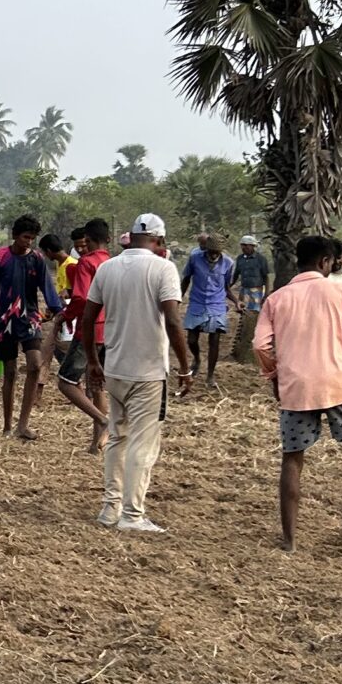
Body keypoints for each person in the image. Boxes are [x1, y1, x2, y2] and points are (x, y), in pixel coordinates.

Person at [254, 233, 342, 549]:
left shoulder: (277, 299)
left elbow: (261, 345)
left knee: (293, 458)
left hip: (295, 387)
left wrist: (274, 375)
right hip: (338, 384)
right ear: (325, 262)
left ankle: (290, 540)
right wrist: (341, 349)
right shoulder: (340, 292)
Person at [84, 211, 193, 533]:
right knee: (142, 445)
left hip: (114, 366)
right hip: (148, 372)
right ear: (159, 241)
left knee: (117, 437)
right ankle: (132, 515)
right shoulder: (163, 268)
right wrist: (185, 368)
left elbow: (88, 319)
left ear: (130, 237)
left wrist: (92, 361)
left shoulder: (108, 268)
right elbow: (173, 321)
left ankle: (109, 508)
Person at [0, 214, 64, 440]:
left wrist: (57, 310)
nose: (29, 242)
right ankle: (7, 426)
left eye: (32, 238)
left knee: (35, 366)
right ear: (16, 235)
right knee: (9, 373)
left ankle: (23, 424)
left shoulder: (36, 259)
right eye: (26, 237)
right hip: (4, 321)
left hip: (29, 319)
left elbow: (47, 287)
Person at [54, 220, 114, 454]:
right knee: (96, 384)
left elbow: (80, 299)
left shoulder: (86, 263)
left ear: (87, 240)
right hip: (110, 328)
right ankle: (95, 445)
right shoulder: (113, 263)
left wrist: (65, 316)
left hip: (90, 329)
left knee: (66, 382)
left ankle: (102, 419)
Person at [180, 233, 236, 390]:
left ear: (221, 252)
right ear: (206, 249)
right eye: (210, 251)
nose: (212, 255)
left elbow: (226, 287)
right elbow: (186, 279)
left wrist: (237, 302)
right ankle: (197, 359)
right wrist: (178, 298)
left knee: (215, 341)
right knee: (191, 339)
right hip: (197, 302)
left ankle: (210, 375)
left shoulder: (229, 263)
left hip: (216, 304)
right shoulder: (195, 258)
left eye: (216, 253)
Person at [231, 233, 272, 359]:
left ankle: (252, 341)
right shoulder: (240, 259)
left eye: (246, 246)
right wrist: (228, 286)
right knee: (244, 314)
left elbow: (266, 277)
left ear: (252, 246)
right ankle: (243, 340)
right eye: (242, 246)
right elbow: (236, 275)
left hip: (257, 291)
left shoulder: (260, 259)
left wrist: (266, 294)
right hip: (244, 290)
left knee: (254, 315)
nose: (243, 248)